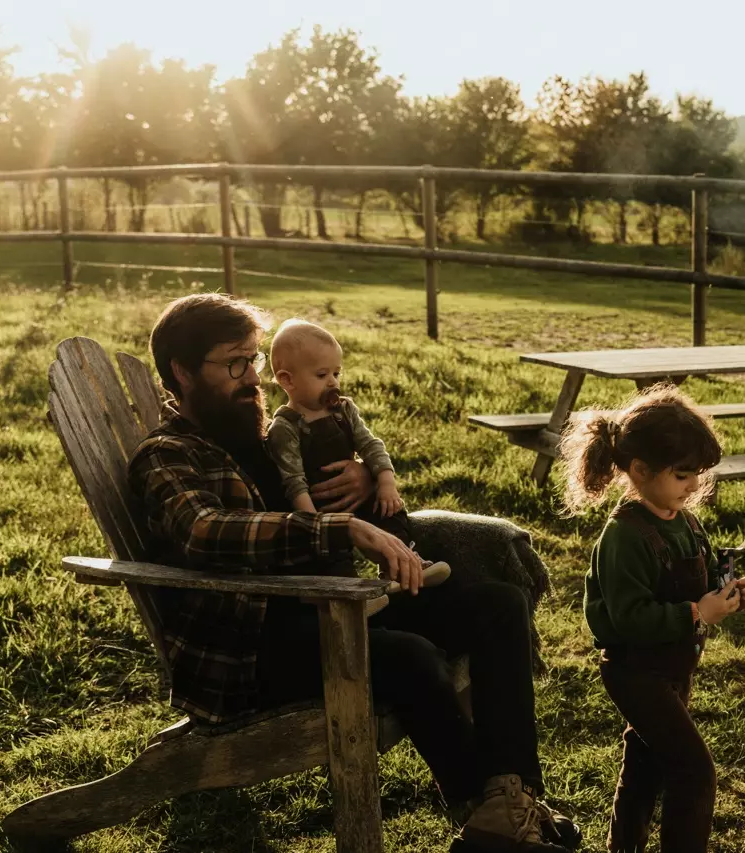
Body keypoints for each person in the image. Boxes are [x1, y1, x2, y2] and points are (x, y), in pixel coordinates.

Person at [127, 294, 577, 852]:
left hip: (335, 603)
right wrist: (343, 529)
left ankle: (512, 799)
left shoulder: (259, 435)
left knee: (497, 604)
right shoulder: (168, 454)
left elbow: (325, 473)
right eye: (235, 363)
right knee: (409, 654)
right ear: (182, 371)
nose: (252, 378)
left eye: (255, 360)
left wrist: (365, 477)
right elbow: (203, 529)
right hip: (258, 645)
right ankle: (484, 811)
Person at [559, 385, 745, 853]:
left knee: (646, 764)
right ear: (640, 470)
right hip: (635, 671)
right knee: (692, 770)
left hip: (674, 667)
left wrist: (726, 592)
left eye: (698, 475)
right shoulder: (624, 538)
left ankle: (622, 846)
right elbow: (628, 619)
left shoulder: (685, 521)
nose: (694, 486)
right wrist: (697, 612)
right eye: (683, 475)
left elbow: (704, 574)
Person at [264, 317, 449, 586]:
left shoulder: (344, 410)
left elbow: (371, 445)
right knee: (330, 555)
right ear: (287, 381)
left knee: (389, 513)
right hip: (319, 509)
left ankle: (401, 563)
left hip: (357, 497)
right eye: (321, 375)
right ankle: (345, 592)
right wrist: (316, 523)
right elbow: (293, 481)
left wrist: (385, 482)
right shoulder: (285, 426)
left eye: (336, 374)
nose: (332, 383)